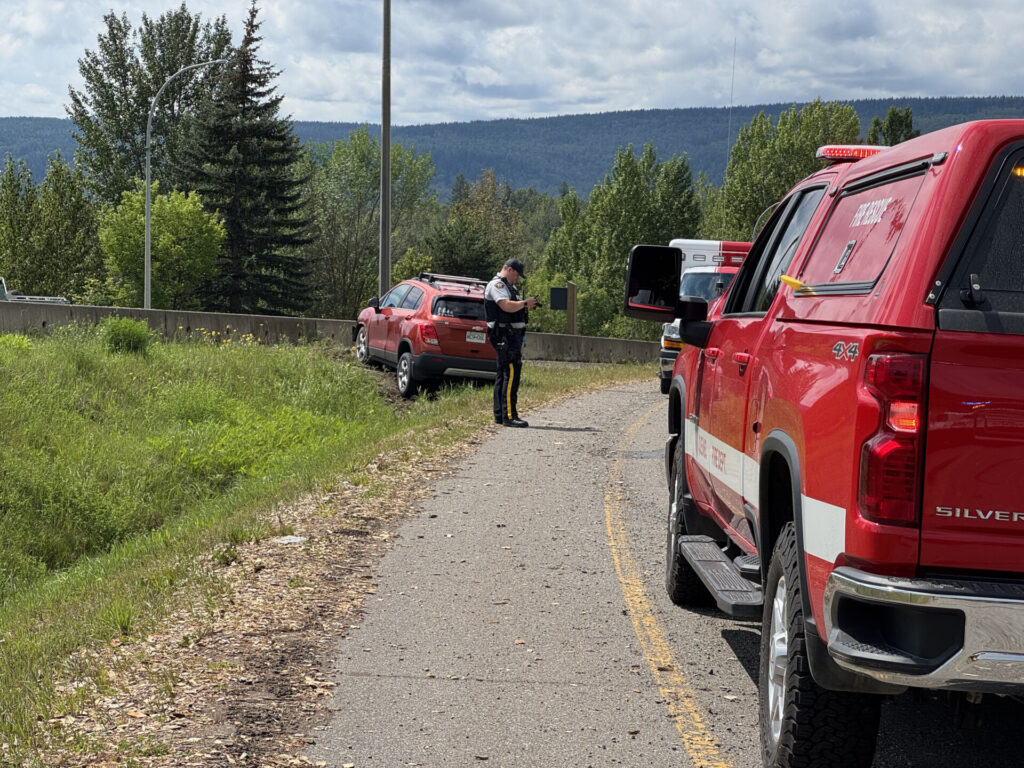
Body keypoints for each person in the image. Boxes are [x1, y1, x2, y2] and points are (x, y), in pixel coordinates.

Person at [484, 258, 539, 427]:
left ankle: (500, 414)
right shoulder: (498, 285)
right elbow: (506, 306)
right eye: (517, 274)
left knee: (503, 373)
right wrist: (524, 303)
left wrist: (526, 305)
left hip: (510, 335)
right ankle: (509, 415)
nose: (517, 278)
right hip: (504, 335)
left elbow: (513, 307)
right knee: (511, 373)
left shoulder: (509, 286)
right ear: (509, 269)